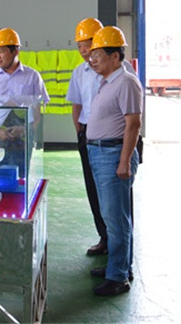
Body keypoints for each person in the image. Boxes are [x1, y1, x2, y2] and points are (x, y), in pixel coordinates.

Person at [67, 18, 138, 257]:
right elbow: (76, 104)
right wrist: (80, 131)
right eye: (79, 46)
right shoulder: (80, 72)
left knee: (118, 197)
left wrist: (125, 155)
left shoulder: (121, 73)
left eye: (88, 44)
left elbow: (132, 117)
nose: (84, 50)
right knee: (95, 189)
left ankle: (121, 253)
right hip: (89, 135)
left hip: (115, 138)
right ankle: (105, 238)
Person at [86, 26, 142, 297]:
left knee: (117, 219)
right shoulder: (108, 81)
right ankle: (118, 266)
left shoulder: (126, 82)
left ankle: (118, 277)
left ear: (115, 57)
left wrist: (124, 161)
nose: (92, 59)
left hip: (113, 154)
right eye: (92, 54)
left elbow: (133, 124)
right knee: (113, 216)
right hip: (101, 153)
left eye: (98, 55)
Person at [0, 28, 49, 176]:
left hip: (22, 139)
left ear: (15, 51)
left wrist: (24, 130)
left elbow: (39, 111)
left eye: (1, 51)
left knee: (21, 178)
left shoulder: (33, 76)